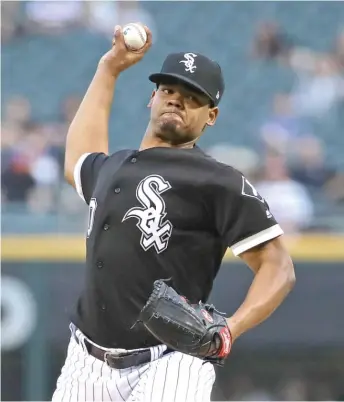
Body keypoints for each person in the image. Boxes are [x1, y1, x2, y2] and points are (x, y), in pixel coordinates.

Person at [52, 24, 295, 402]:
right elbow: (76, 160)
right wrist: (109, 68)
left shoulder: (218, 180)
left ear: (211, 115)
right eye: (168, 89)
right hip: (86, 361)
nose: (176, 100)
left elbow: (278, 266)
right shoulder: (113, 167)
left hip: (172, 360)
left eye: (191, 96)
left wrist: (229, 330)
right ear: (152, 98)